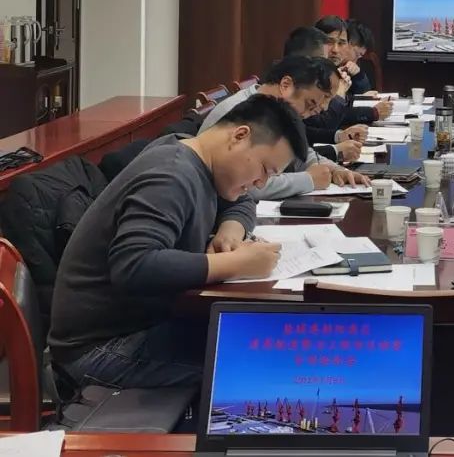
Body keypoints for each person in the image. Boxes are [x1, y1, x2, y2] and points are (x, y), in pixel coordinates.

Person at [49, 95, 304, 389]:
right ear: (239, 136)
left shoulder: (196, 155)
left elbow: (241, 201)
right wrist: (235, 263)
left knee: (261, 342)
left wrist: (231, 230)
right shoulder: (171, 174)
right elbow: (134, 266)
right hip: (100, 348)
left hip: (144, 324)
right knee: (267, 366)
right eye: (265, 170)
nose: (261, 183)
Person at [200, 56, 365, 198]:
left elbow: (298, 154)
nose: (308, 115)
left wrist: (334, 170)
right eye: (309, 104)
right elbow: (245, 185)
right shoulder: (241, 112)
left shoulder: (276, 110)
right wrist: (308, 180)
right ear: (286, 85)